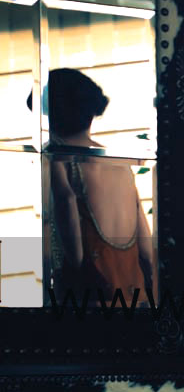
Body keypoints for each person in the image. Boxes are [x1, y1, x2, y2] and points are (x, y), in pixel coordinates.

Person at [31, 68, 155, 305]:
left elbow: (66, 204)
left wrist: (76, 268)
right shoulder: (118, 163)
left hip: (93, 291)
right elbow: (145, 239)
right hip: (134, 286)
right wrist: (150, 276)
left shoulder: (59, 162)